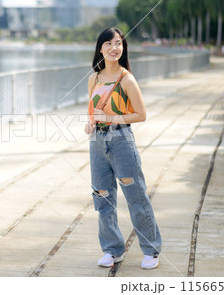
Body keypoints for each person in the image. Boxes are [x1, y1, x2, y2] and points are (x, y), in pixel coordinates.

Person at [84, 27, 162, 269]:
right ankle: (112, 249)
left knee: (135, 196)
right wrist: (90, 123)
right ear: (100, 48)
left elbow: (140, 115)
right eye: (109, 43)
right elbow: (93, 110)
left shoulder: (126, 79)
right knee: (102, 197)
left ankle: (151, 250)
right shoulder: (94, 78)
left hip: (121, 142)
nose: (114, 47)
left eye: (118, 43)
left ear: (123, 48)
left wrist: (109, 120)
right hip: (97, 143)